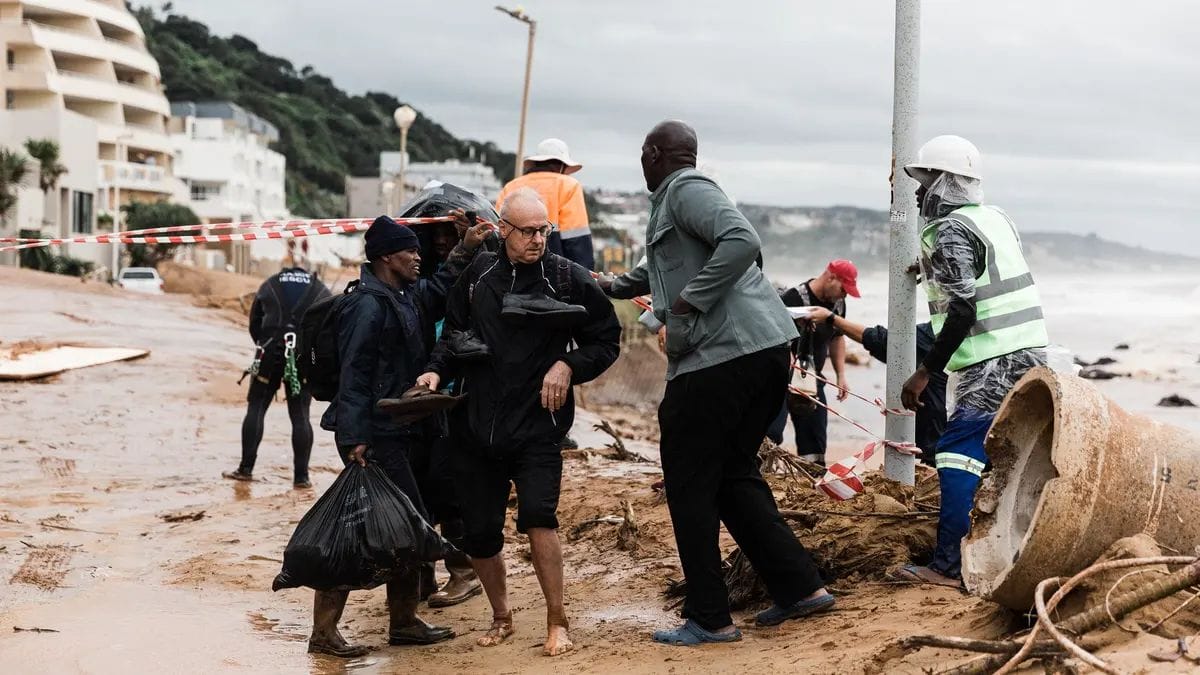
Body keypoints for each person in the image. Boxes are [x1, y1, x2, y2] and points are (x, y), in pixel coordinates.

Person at [601, 120, 832, 646]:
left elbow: (742, 240)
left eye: (642, 153)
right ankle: (801, 588)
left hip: (721, 358)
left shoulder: (687, 189)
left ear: (655, 154)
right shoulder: (674, 202)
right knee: (732, 474)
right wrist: (612, 285)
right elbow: (662, 267)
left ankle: (709, 617)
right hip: (760, 351)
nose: (641, 162)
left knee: (688, 483)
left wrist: (688, 303)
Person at [419, 187, 620, 657]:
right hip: (476, 426)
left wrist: (569, 366)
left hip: (538, 427)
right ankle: (501, 615)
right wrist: (434, 370)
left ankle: (557, 621)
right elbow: (452, 337)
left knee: (538, 518)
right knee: (481, 532)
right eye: (527, 231)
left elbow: (606, 340)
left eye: (544, 229)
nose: (537, 239)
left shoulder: (567, 279)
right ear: (503, 230)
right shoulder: (475, 276)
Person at [309, 214, 490, 657]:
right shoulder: (367, 306)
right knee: (362, 530)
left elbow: (435, 288)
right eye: (410, 250)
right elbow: (355, 376)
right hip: (375, 437)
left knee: (411, 523)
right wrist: (354, 440)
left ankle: (404, 621)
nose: (419, 256)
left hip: (403, 430)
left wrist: (465, 249)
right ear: (387, 256)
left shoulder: (402, 295)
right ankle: (324, 631)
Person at [894, 135, 1048, 587]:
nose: (921, 193)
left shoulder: (952, 231)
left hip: (991, 361)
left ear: (946, 184)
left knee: (957, 451)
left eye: (926, 182)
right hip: (1030, 350)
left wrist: (927, 371)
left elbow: (963, 306)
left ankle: (948, 567)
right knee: (1002, 452)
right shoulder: (995, 219)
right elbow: (982, 274)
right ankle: (1002, 544)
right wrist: (927, 269)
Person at [224, 259, 330, 488]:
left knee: (257, 407)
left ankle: (245, 469)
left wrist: (265, 343)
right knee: (301, 414)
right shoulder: (319, 288)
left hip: (269, 353)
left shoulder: (270, 283)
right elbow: (329, 328)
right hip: (302, 357)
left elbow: (254, 323)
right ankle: (301, 478)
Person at [805, 309, 946, 463]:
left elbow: (880, 340)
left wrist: (832, 318)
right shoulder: (966, 332)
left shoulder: (934, 336)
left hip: (940, 443)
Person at [769, 260, 860, 465]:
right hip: (782, 377)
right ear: (830, 278)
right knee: (772, 432)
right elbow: (773, 337)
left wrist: (841, 375)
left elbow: (837, 338)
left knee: (815, 440)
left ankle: (812, 476)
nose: (844, 295)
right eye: (843, 290)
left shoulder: (837, 304)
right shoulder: (791, 298)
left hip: (811, 378)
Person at [495, 138, 593, 271]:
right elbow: (576, 240)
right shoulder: (568, 185)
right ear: (561, 166)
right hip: (552, 272)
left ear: (536, 163)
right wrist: (585, 278)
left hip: (512, 270)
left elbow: (498, 232)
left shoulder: (511, 186)